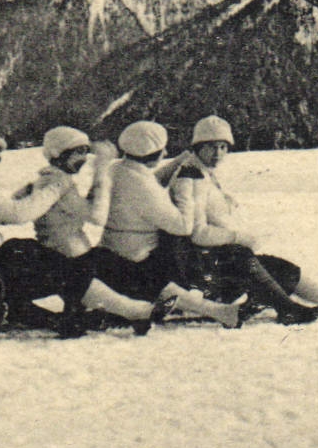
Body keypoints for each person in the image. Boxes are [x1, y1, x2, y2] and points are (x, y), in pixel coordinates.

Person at [0, 125, 169, 336]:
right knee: (57, 264)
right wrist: (93, 177)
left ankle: (120, 309)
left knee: (45, 257)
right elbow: (19, 214)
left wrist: (26, 197)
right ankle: (134, 309)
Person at [167, 116, 318, 319]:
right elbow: (196, 233)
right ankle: (291, 309)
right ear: (198, 147)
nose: (217, 154)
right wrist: (238, 237)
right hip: (204, 268)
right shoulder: (191, 177)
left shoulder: (203, 173)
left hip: (219, 258)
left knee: (279, 268)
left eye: (222, 147)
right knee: (253, 262)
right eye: (210, 147)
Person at [95, 121, 247, 328]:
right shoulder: (145, 187)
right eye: (160, 149)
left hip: (112, 249)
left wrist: (178, 162)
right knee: (175, 257)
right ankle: (215, 308)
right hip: (139, 256)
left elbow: (152, 179)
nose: (164, 151)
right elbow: (183, 226)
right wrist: (187, 193)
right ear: (149, 152)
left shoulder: (119, 169)